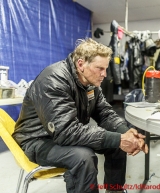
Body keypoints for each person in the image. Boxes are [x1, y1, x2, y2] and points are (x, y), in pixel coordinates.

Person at [12, 38, 148, 193]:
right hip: (38, 140)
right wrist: (119, 139)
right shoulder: (53, 80)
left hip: (64, 134)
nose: (104, 74)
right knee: (83, 157)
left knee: (117, 143)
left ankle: (114, 190)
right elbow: (66, 132)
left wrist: (126, 133)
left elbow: (105, 113)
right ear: (81, 64)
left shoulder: (90, 83)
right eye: (99, 68)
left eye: (106, 69)